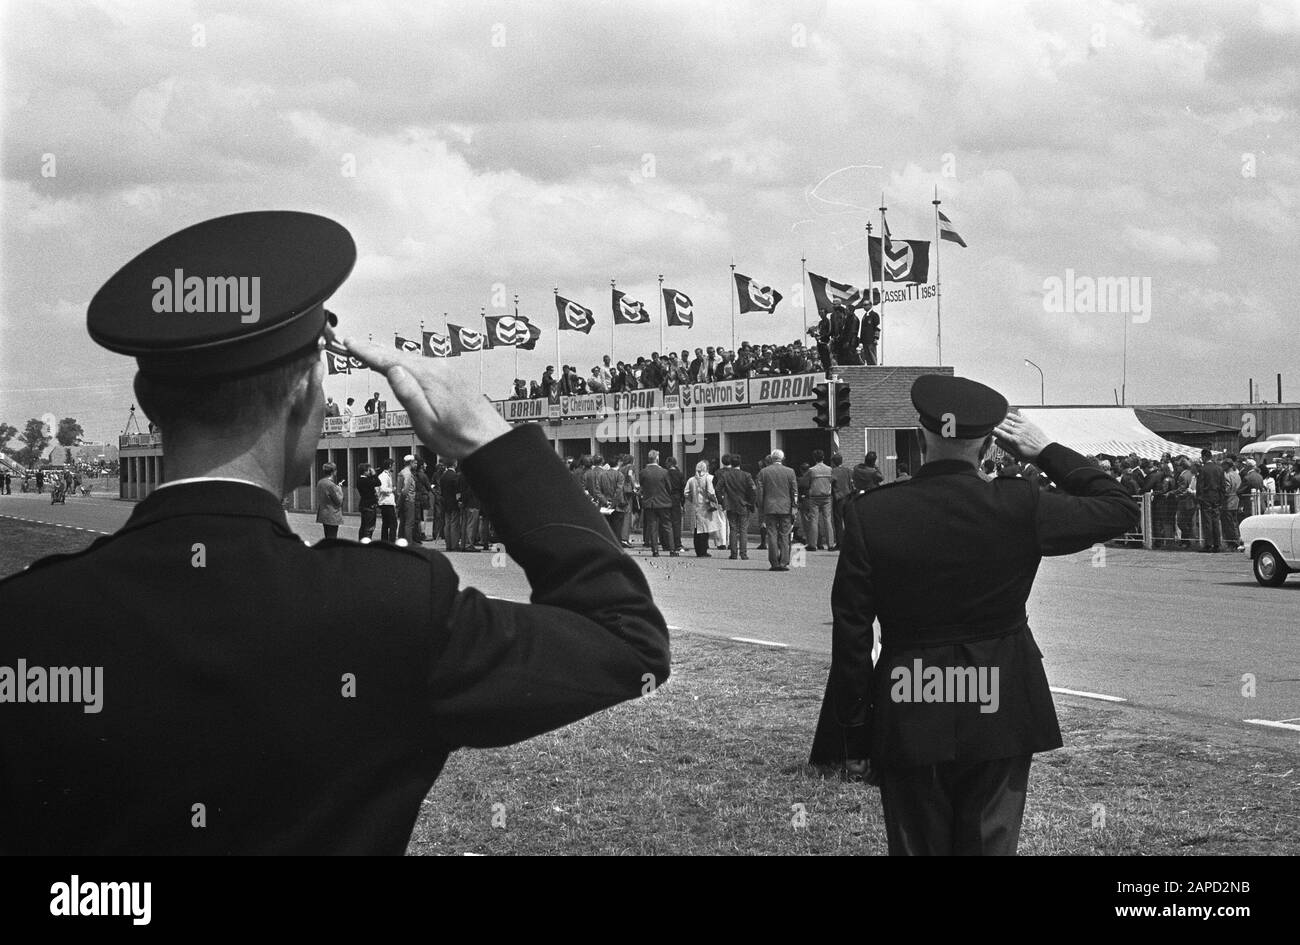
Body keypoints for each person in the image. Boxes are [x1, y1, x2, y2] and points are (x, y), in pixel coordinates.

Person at [0, 210, 668, 855]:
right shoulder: (392, 610)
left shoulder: (26, 621)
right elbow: (625, 638)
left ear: (147, 401)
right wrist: (490, 442)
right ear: (306, 396)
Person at [809, 375, 1139, 856]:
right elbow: (1119, 507)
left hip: (911, 700)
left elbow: (853, 637)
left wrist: (854, 736)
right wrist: (1045, 450)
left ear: (922, 436)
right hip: (1000, 701)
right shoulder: (1018, 504)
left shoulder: (872, 514)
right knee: (989, 842)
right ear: (988, 444)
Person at [756, 449, 798, 571]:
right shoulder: (790, 472)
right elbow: (794, 491)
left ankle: (774, 562)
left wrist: (761, 507)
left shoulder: (763, 472)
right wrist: (794, 507)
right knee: (785, 534)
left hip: (769, 507)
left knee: (772, 534)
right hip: (786, 507)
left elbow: (760, 492)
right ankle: (784, 561)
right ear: (782, 458)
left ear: (772, 458)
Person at [717, 454, 756, 561]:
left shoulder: (725, 475)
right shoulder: (746, 475)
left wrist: (721, 501)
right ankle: (743, 554)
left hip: (730, 505)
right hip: (743, 504)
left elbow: (718, 489)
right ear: (740, 463)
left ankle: (733, 553)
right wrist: (751, 503)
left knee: (733, 529)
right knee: (743, 530)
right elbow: (753, 490)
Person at [638, 450, 674, 556]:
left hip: (649, 503)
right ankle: (672, 549)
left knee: (652, 527)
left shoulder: (643, 472)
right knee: (667, 526)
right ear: (657, 458)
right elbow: (669, 487)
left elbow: (642, 486)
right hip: (663, 502)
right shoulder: (664, 472)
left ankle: (655, 550)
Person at [683, 460, 718, 557]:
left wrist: (692, 499)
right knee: (705, 530)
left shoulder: (691, 480)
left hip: (696, 507)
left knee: (696, 530)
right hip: (706, 507)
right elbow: (711, 492)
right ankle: (703, 551)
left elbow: (686, 493)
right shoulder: (709, 478)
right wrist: (715, 501)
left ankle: (698, 551)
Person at [1195, 448, 1226, 552]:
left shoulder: (1203, 469)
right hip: (1216, 497)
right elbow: (1223, 485)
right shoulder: (1219, 468)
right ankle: (1217, 544)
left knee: (1207, 522)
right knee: (1216, 521)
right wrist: (1222, 498)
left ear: (1204, 457)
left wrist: (1199, 499)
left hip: (1206, 497)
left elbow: (1200, 486)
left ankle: (1208, 544)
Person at [807, 449, 835, 551]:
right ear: (823, 457)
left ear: (814, 458)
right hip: (827, 497)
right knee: (827, 520)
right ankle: (830, 544)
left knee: (814, 520)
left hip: (814, 497)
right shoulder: (829, 469)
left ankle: (813, 545)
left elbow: (807, 483)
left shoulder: (811, 470)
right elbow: (832, 481)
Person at [315, 462, 344, 540]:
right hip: (332, 514)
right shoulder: (331, 485)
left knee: (327, 536)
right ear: (333, 471)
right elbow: (338, 501)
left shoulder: (320, 482)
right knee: (332, 537)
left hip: (324, 513)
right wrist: (339, 490)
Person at [830, 453, 853, 549]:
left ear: (833, 462)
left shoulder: (833, 471)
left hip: (838, 498)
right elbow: (852, 482)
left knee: (838, 521)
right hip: (848, 496)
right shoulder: (848, 470)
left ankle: (840, 543)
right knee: (848, 520)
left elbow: (831, 482)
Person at [664, 456, 685, 553]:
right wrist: (682, 503)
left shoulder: (665, 474)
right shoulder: (680, 474)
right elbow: (683, 489)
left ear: (669, 463)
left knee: (667, 522)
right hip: (676, 499)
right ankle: (678, 544)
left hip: (667, 498)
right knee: (677, 522)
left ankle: (668, 544)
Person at [355, 463, 380, 542]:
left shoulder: (359, 479)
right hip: (370, 506)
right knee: (369, 528)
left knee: (363, 526)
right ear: (365, 471)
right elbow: (378, 483)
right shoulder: (366, 480)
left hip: (364, 504)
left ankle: (361, 542)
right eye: (369, 470)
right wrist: (374, 474)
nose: (370, 472)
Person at [397, 454, 418, 543]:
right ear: (410, 463)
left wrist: (399, 502)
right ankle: (408, 543)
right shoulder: (408, 474)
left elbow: (399, 489)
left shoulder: (401, 472)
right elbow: (405, 490)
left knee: (402, 522)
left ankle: (400, 540)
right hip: (408, 500)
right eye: (415, 463)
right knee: (409, 523)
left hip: (402, 500)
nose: (416, 465)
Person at [376, 457, 398, 542]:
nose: (394, 467)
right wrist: (392, 489)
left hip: (387, 502)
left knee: (386, 524)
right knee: (393, 524)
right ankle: (391, 541)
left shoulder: (387, 475)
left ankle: (384, 540)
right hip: (386, 502)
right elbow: (382, 489)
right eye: (393, 465)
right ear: (389, 465)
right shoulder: (383, 476)